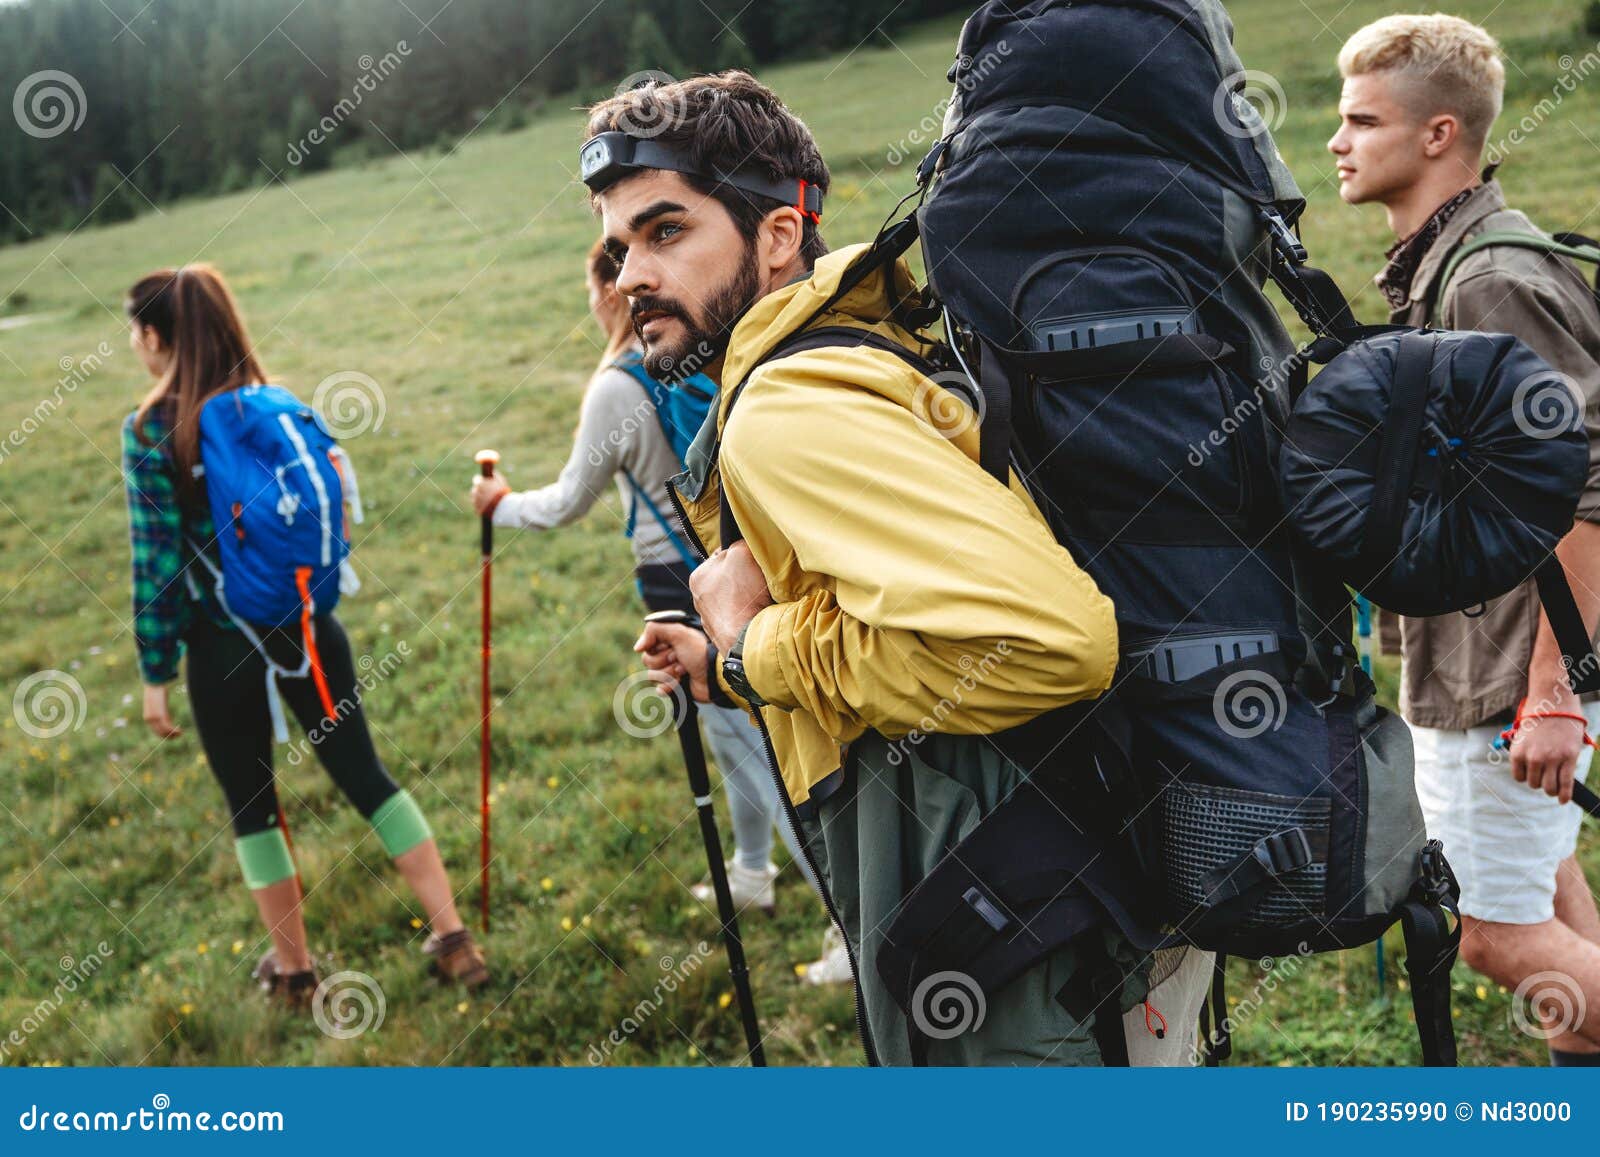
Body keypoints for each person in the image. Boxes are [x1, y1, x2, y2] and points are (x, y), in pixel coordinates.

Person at [603, 71, 1213, 1065]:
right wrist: (723, 662)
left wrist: (753, 645)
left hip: (1003, 923)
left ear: (777, 236)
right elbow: (901, 615)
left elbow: (1048, 642)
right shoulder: (865, 344)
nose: (628, 274)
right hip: (1066, 883)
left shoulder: (788, 407)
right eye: (618, 245)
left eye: (665, 232)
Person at [1330, 13, 1600, 1062]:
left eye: (1361, 119)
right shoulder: (1450, 265)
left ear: (1439, 133)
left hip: (1507, 670)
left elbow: (1584, 487)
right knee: (1546, 887)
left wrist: (1552, 691)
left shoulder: (1484, 280)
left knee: (1493, 931)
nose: (1336, 141)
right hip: (1493, 660)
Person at [468, 240, 845, 981]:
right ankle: (752, 872)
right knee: (743, 745)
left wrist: (500, 505)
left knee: (763, 760)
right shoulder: (699, 358)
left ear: (607, 296)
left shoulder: (617, 386)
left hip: (679, 586)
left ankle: (847, 929)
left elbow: (566, 502)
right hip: (739, 566)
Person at [123, 264, 487, 1007]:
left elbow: (156, 561)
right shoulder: (276, 405)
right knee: (366, 775)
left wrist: (154, 672)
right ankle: (454, 939)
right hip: (310, 627)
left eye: (134, 330)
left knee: (251, 803)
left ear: (156, 338)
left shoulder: (152, 430)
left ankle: (294, 973)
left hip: (221, 646)